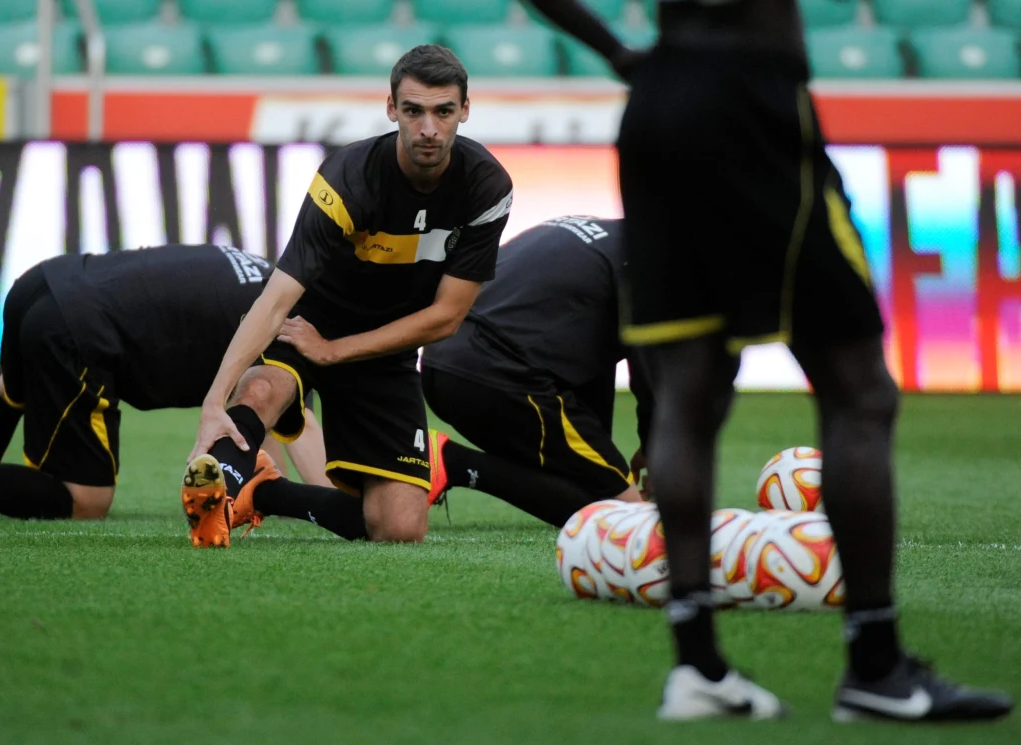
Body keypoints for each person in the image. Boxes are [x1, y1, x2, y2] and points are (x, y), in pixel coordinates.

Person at [528, 0, 1013, 723]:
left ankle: (698, 666)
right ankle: (876, 665)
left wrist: (621, 53)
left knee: (689, 392)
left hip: (656, 108)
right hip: (751, 101)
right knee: (859, 390)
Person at [182, 44, 513, 549]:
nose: (429, 128)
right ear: (391, 109)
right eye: (414, 111)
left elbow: (446, 317)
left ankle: (264, 491)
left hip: (385, 348)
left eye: (444, 111)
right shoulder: (347, 179)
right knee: (265, 390)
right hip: (308, 320)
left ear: (464, 111)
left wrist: (336, 351)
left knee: (397, 531)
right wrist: (212, 400)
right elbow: (275, 301)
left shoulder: (487, 189)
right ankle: (215, 491)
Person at [0, 244, 328, 522]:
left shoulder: (265, 272)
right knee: (85, 500)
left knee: (16, 388)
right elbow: (294, 420)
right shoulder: (294, 323)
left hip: (45, 283)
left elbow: (266, 424)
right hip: (79, 332)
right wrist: (344, 506)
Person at [422, 215, 650, 527]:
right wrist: (654, 447)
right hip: (495, 373)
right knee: (626, 519)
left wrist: (603, 457)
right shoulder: (648, 258)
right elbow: (651, 364)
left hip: (443, 363)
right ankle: (452, 462)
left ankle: (454, 463)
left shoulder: (599, 234)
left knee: (593, 491)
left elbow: (589, 349)